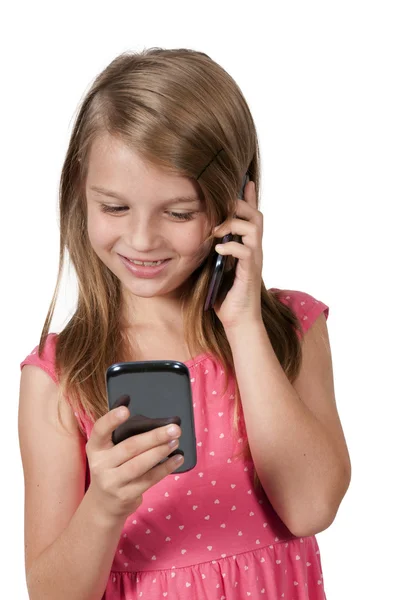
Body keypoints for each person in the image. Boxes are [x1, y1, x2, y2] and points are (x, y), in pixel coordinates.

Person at [18, 48, 351, 600]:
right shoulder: (60, 377)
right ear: (80, 193)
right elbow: (50, 593)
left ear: (237, 203)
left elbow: (311, 507)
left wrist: (243, 321)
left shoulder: (291, 327)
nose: (143, 239)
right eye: (115, 207)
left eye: (178, 212)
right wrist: (104, 505)